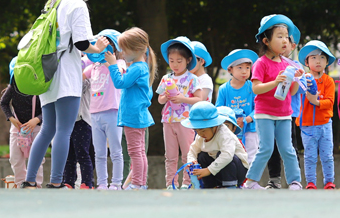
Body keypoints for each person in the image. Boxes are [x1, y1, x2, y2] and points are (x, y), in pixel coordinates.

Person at [23, 0, 109, 189]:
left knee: (48, 129)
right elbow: (82, 44)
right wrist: (98, 48)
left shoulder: (53, 1)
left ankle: (29, 180)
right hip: (67, 73)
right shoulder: (77, 4)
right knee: (64, 130)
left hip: (47, 71)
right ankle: (56, 182)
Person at [243, 15, 304, 190]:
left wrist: (295, 79)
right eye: (279, 36)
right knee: (266, 149)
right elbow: (256, 88)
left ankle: (295, 182)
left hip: (284, 114)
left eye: (286, 36)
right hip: (264, 114)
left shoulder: (288, 63)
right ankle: (251, 182)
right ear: (266, 40)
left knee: (288, 149)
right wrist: (276, 82)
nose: (285, 40)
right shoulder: (260, 63)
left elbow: (291, 92)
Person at [104, 27, 156, 190]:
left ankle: (138, 183)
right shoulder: (140, 67)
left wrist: (112, 65)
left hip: (133, 116)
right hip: (137, 115)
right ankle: (140, 183)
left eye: (124, 50)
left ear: (137, 49)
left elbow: (120, 83)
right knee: (139, 152)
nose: (122, 54)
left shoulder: (137, 68)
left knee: (135, 152)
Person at [157, 35, 207, 188]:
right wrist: (165, 97)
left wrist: (183, 99)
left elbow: (200, 99)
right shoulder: (166, 78)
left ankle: (187, 183)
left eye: (179, 61)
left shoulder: (192, 79)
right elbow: (159, 99)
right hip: (168, 120)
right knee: (170, 156)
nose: (175, 65)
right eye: (171, 61)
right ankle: (170, 183)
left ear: (187, 60)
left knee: (187, 154)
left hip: (186, 121)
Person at [82, 29, 125, 190]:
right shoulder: (94, 66)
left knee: (115, 150)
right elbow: (81, 75)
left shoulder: (118, 63)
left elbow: (119, 73)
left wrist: (108, 60)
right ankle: (101, 183)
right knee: (99, 153)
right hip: (94, 113)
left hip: (112, 112)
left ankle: (116, 183)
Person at [297, 40, 337, 189]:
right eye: (313, 57)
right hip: (307, 124)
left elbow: (330, 102)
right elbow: (297, 96)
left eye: (321, 58)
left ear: (327, 62)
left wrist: (316, 101)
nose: (318, 61)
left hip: (325, 124)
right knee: (310, 156)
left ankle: (329, 182)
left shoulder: (328, 81)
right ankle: (311, 183)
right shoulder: (303, 80)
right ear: (307, 62)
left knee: (327, 156)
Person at [183, 102, 249, 189]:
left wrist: (208, 170)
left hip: (237, 172)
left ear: (214, 126)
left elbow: (227, 155)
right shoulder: (200, 136)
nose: (200, 133)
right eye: (197, 130)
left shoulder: (224, 134)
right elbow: (193, 150)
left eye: (203, 130)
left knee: (222, 155)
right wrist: (192, 161)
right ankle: (210, 186)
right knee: (202, 156)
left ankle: (230, 186)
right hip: (218, 171)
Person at [1, 57, 43, 187]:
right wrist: (12, 118)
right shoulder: (12, 88)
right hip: (17, 128)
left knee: (37, 158)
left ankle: (36, 185)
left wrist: (37, 120)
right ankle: (20, 184)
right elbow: (3, 103)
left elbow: (48, 108)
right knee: (15, 158)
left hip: (36, 128)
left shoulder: (38, 88)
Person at [215, 49, 258, 162]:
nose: (244, 71)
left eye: (247, 68)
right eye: (240, 68)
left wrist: (248, 119)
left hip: (250, 129)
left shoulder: (253, 87)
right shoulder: (224, 89)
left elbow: (259, 107)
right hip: (229, 131)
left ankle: (250, 179)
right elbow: (219, 110)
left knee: (251, 156)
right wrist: (229, 121)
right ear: (230, 69)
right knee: (230, 156)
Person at [62, 69, 95, 188]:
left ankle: (87, 182)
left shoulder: (86, 79)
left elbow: (81, 84)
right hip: (68, 121)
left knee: (83, 153)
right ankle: (69, 181)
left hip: (82, 120)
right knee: (68, 154)